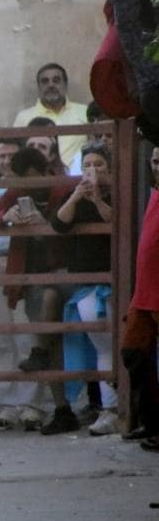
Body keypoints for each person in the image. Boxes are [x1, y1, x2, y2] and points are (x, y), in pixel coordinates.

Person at [0, 146, 80, 434]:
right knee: (51, 343)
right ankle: (62, 408)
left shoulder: (63, 189)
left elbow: (68, 230)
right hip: (32, 276)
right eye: (21, 180)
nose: (27, 185)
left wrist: (44, 225)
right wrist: (6, 216)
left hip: (64, 271)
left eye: (31, 178)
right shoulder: (17, 193)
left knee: (49, 341)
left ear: (44, 172)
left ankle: (68, 405)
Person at [0, 139, 47, 433]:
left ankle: (31, 406)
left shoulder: (30, 188)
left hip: (25, 263)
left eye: (10, 156)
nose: (4, 161)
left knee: (27, 335)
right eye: (0, 155)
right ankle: (6, 406)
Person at [51, 142, 118, 435]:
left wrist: (98, 200)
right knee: (102, 346)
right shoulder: (75, 195)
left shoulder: (118, 192)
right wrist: (78, 196)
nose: (92, 171)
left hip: (115, 278)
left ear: (110, 168)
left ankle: (120, 408)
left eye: (98, 165)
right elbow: (59, 224)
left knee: (120, 347)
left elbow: (116, 220)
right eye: (87, 165)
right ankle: (110, 408)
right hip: (88, 283)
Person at [122, 144, 159, 452]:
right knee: (133, 353)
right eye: (156, 162)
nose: (158, 167)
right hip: (144, 294)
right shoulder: (152, 193)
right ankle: (150, 421)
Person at [13, 62, 90, 170]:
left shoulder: (84, 112)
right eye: (45, 81)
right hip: (38, 179)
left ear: (65, 85)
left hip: (78, 180)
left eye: (56, 80)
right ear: (39, 87)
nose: (51, 85)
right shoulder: (24, 117)